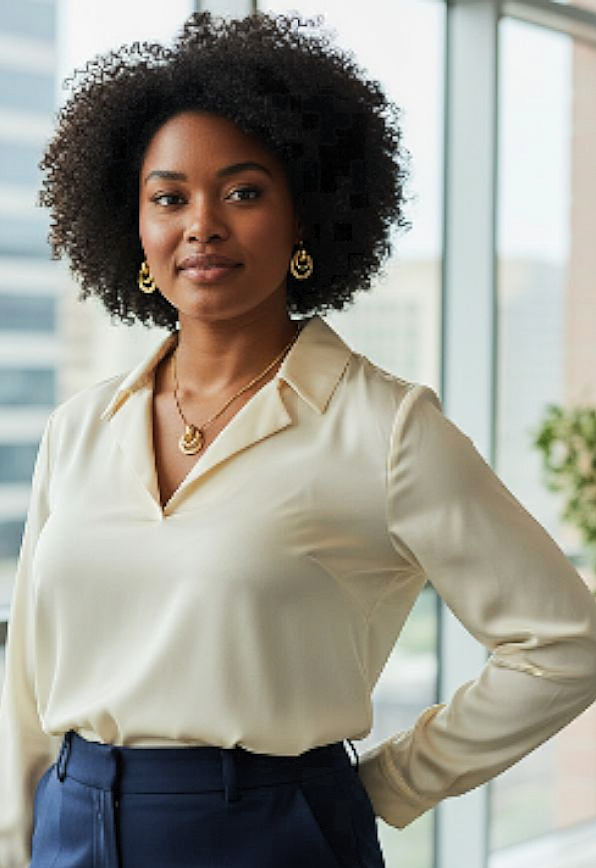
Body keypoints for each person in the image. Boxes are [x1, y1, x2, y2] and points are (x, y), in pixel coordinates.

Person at [1, 9, 596, 868]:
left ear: (306, 216)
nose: (202, 224)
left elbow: (566, 642)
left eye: (243, 192)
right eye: (169, 197)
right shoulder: (80, 428)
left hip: (273, 837)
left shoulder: (385, 429)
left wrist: (386, 785)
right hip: (71, 827)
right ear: (134, 226)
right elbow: (27, 679)